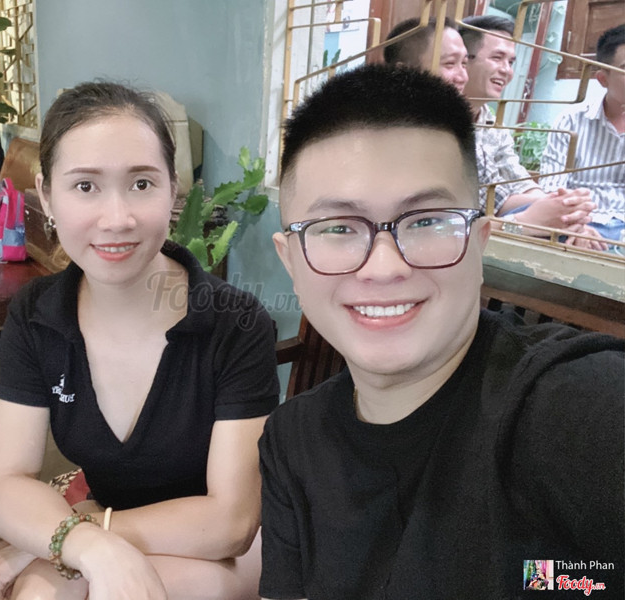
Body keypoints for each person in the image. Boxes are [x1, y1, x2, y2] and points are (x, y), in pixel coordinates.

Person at [259, 64, 623, 599]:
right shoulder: (293, 438)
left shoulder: (575, 406)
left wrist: (550, 579)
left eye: (427, 221)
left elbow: (593, 577)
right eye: (337, 227)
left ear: (480, 242)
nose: (384, 267)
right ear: (290, 260)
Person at [0, 82, 279, 600]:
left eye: (141, 183)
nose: (117, 219)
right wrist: (87, 546)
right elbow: (3, 484)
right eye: (85, 186)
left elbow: (231, 523)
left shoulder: (235, 323)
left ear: (173, 189)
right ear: (46, 195)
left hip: (232, 548)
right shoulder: (36, 315)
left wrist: (74, 530)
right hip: (118, 521)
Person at [459, 16, 606, 248]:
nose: (506, 71)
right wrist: (529, 220)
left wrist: (564, 211)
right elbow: (469, 211)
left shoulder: (490, 122)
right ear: (463, 61)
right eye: (497, 58)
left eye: (511, 62)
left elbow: (514, 184)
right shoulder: (437, 124)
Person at [540, 23, 625, 243]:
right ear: (603, 79)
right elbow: (552, 187)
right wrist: (578, 227)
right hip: (579, 223)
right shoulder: (571, 120)